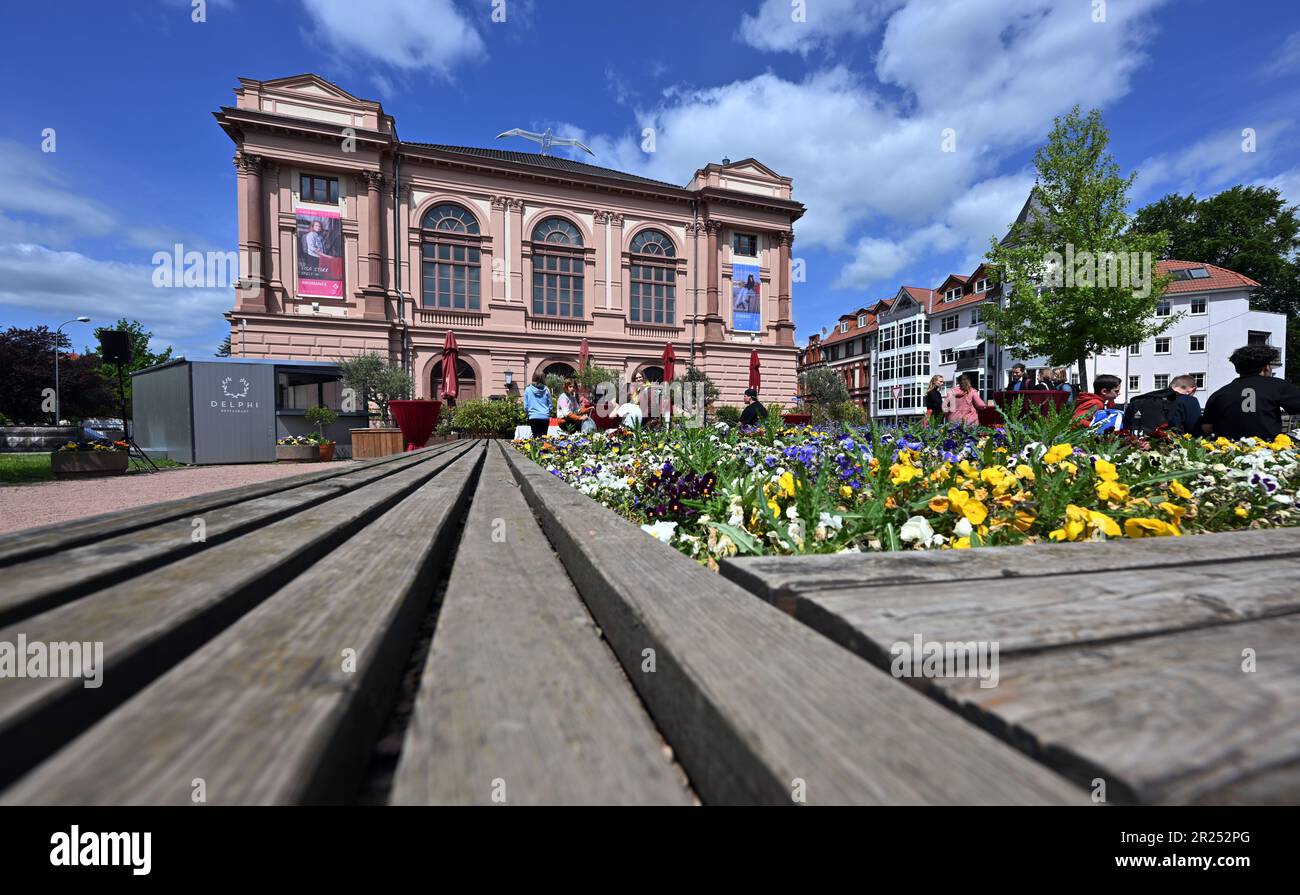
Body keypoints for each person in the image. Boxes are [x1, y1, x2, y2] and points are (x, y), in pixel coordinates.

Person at [1201, 344, 1300, 440]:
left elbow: (1207, 428)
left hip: (1230, 451)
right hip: (1270, 451)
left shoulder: (1219, 394)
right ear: (1266, 367)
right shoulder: (1279, 385)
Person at [523, 370, 552, 438]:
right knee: (544, 438)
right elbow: (550, 405)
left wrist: (529, 413)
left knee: (536, 438)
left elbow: (526, 406)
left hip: (533, 416)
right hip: (545, 416)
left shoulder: (528, 389)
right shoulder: (547, 390)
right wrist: (547, 412)